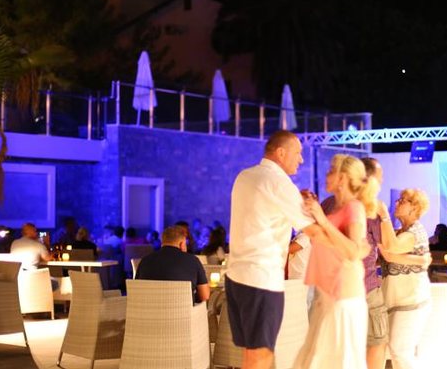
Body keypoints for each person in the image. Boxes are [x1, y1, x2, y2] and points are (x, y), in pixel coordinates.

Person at [226, 130, 322, 369]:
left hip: (236, 276)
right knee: (262, 355)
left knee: (251, 352)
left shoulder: (244, 176)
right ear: (281, 153)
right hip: (262, 278)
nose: (301, 159)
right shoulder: (280, 183)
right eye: (297, 153)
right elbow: (312, 230)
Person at [294, 154, 370, 369]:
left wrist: (322, 219)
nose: (326, 176)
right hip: (329, 295)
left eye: (330, 171)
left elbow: (353, 251)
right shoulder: (336, 208)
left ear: (342, 178)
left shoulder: (354, 208)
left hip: (344, 296)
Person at [377, 188, 432, 369]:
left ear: (414, 208)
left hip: (411, 301)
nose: (397, 203)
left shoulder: (415, 232)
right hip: (397, 301)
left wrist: (383, 217)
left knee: (400, 352)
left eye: (402, 201)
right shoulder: (400, 231)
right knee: (398, 352)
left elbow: (390, 251)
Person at [135, 225, 210, 303]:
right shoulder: (193, 261)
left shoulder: (145, 260)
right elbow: (204, 295)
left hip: (149, 309)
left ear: (162, 242)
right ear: (182, 244)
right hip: (183, 310)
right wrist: (192, 297)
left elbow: (136, 291)